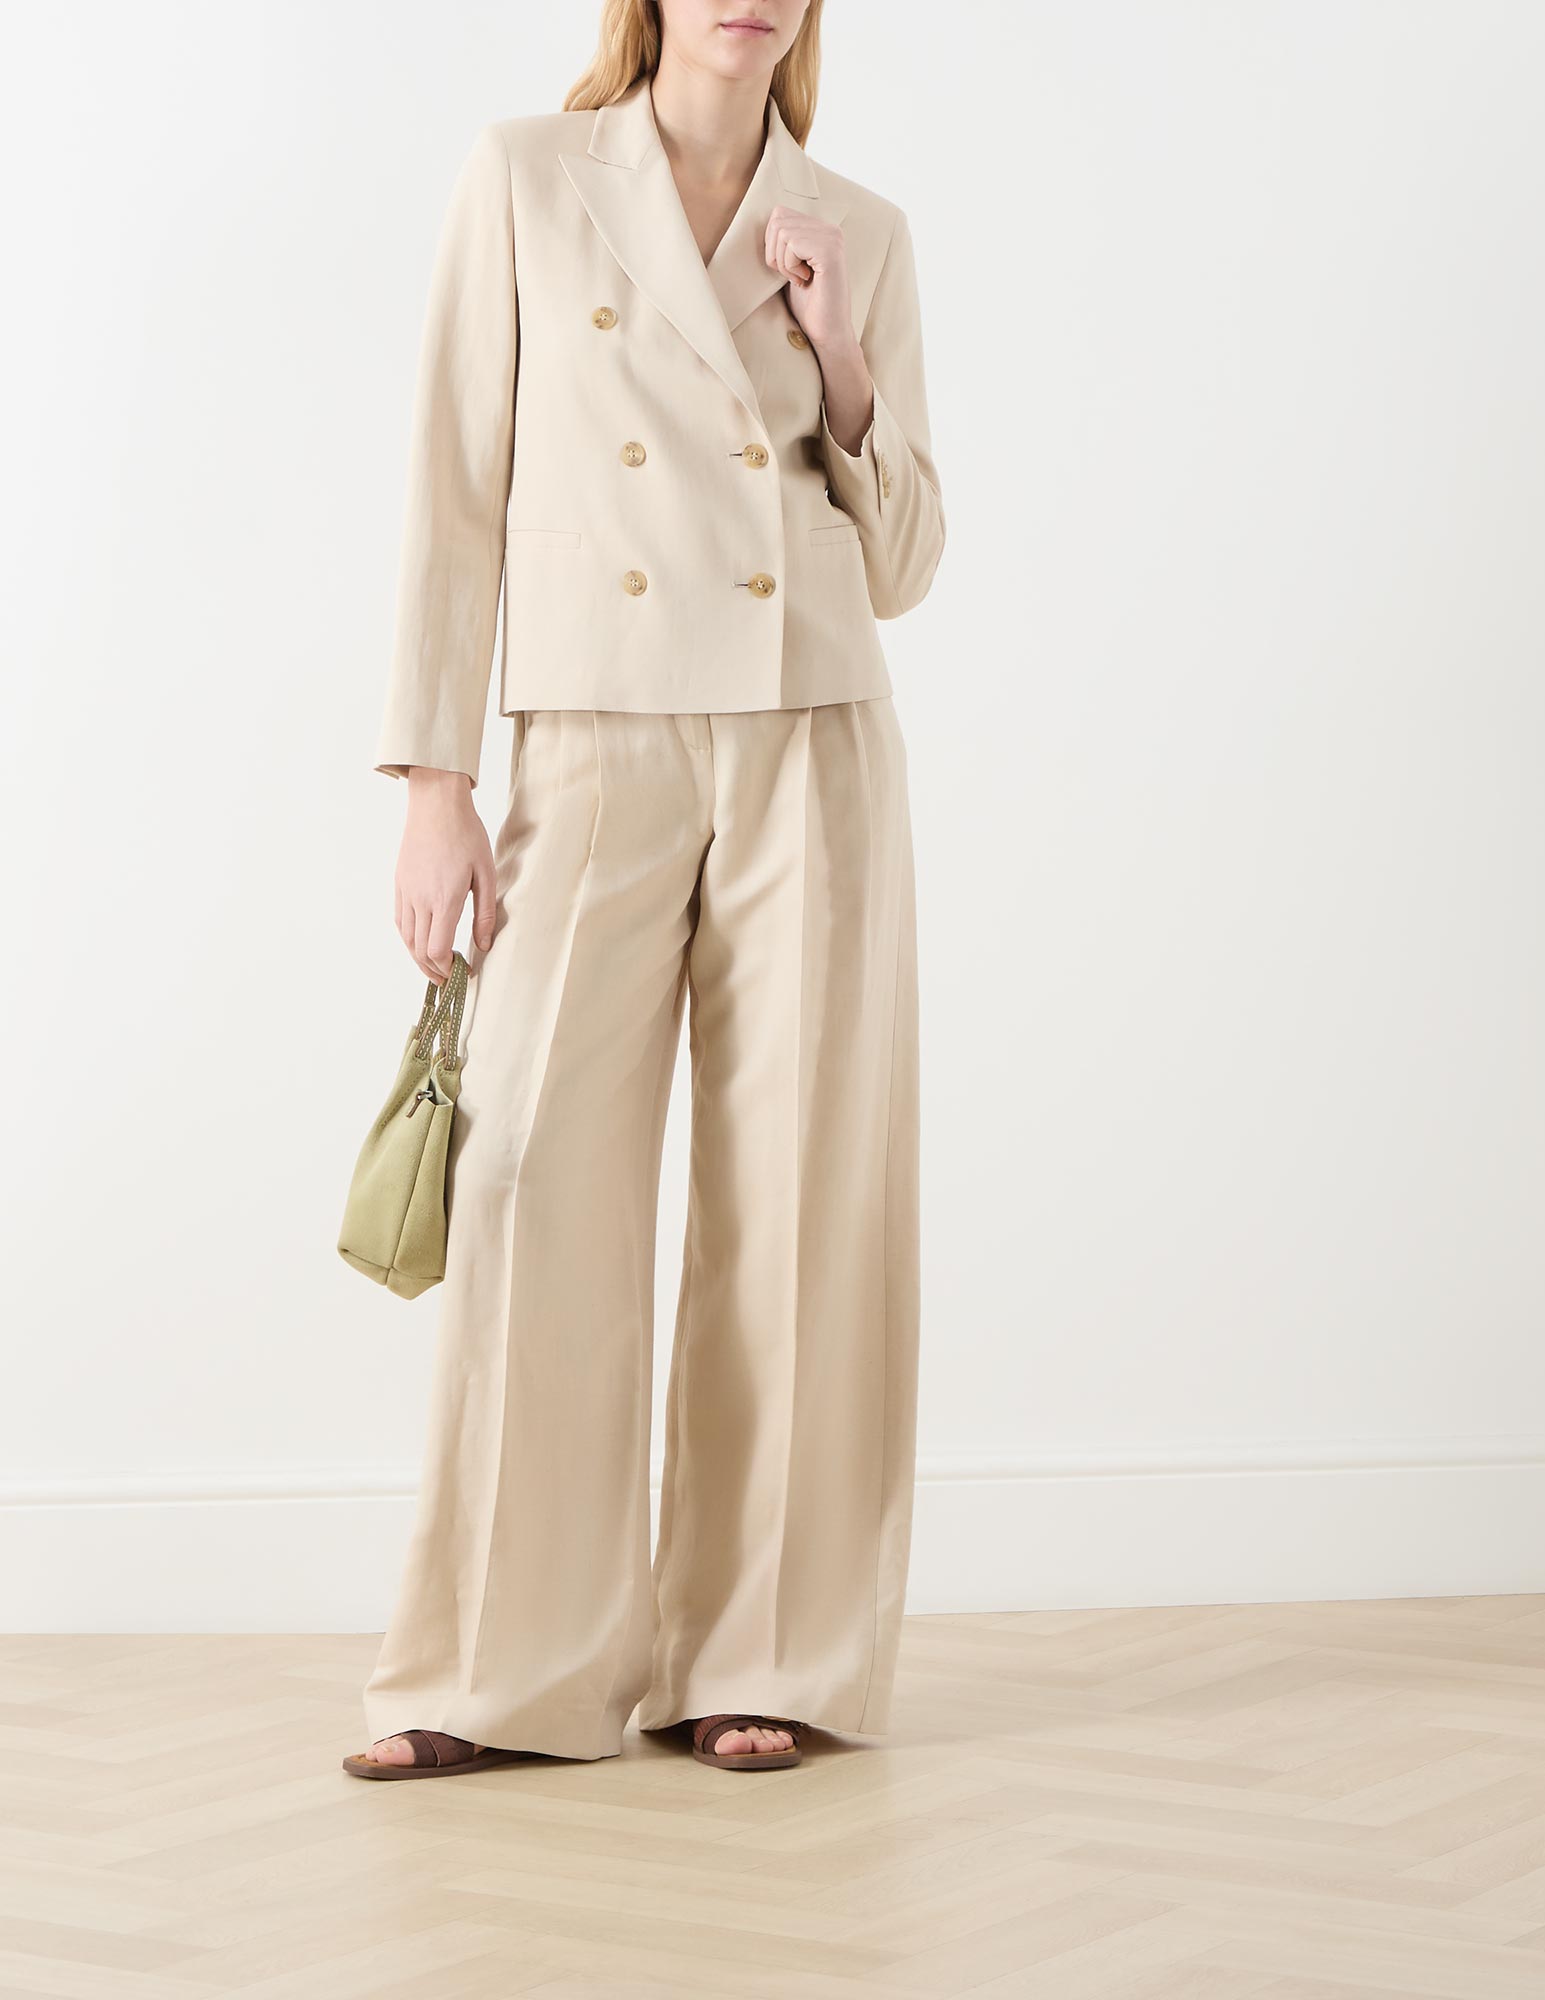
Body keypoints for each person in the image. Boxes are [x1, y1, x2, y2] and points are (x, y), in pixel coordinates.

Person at [342, 0, 942, 1780]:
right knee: (529, 1180)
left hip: (809, 735)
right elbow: (453, 487)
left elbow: (909, 559)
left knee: (800, 1203)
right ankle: (494, 1671)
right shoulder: (531, 177)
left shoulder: (858, 227)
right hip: (593, 736)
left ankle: (763, 1655)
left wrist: (840, 352)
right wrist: (434, 782)